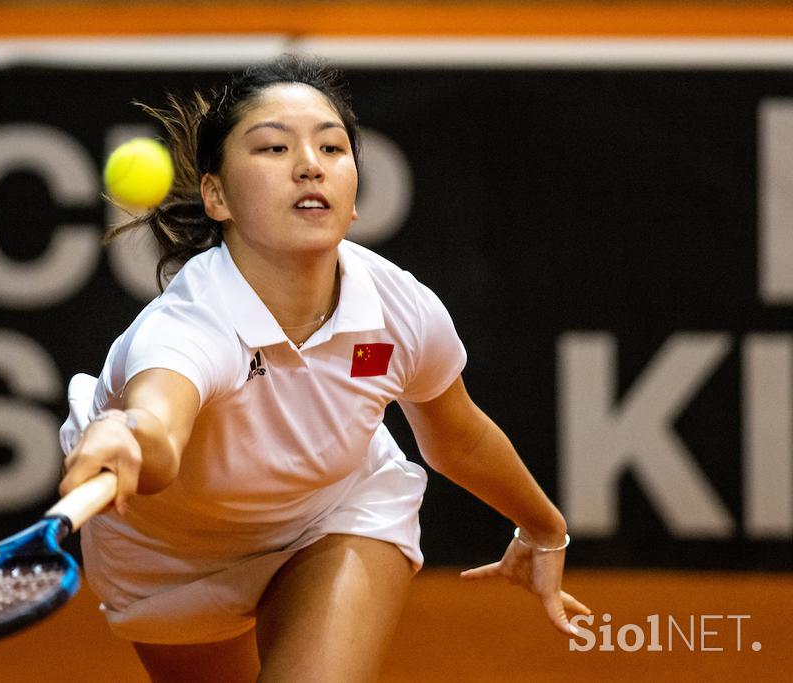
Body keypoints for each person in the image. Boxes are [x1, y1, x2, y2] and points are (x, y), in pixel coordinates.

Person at [58, 54, 590, 682]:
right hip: (169, 561)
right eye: (274, 148)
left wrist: (544, 527)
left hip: (333, 511)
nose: (310, 164)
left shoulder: (398, 307)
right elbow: (159, 428)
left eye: (332, 147)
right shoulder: (190, 323)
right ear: (216, 195)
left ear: (355, 190)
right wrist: (127, 433)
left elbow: (458, 435)